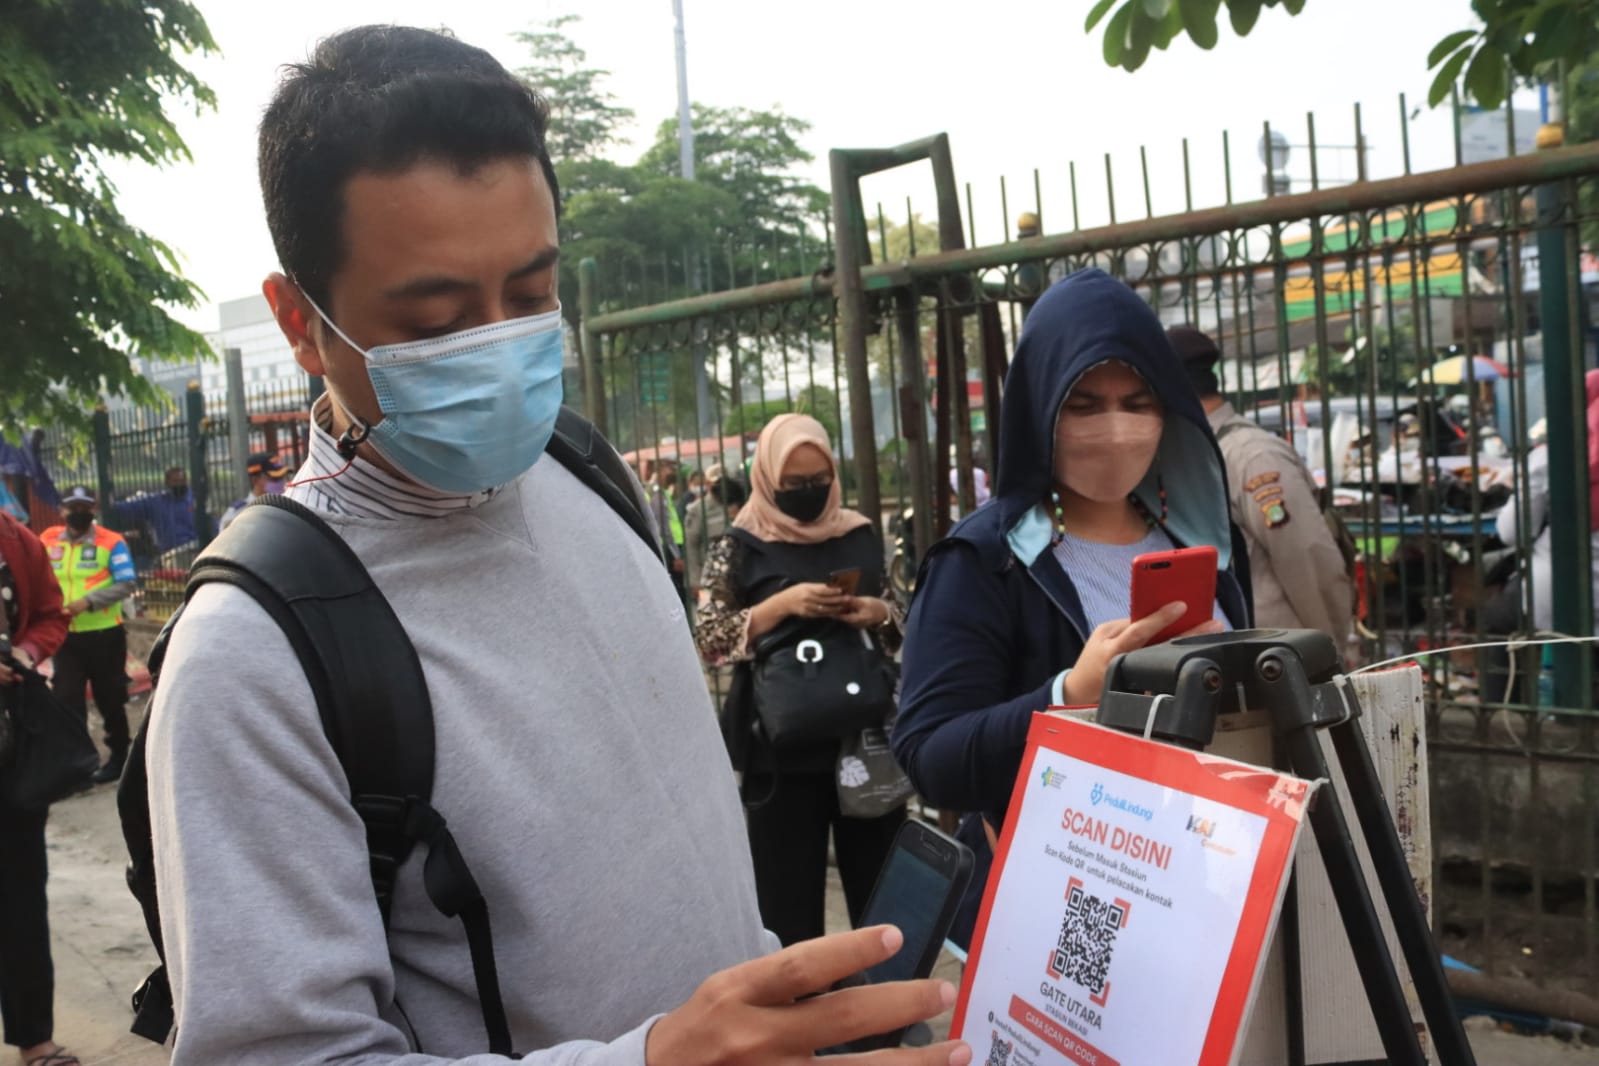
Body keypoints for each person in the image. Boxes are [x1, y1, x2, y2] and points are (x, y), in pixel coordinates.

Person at [146, 26, 964, 1066]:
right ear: (300, 323)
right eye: (435, 321)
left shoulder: (588, 473)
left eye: (531, 296)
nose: (499, 349)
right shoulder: (252, 658)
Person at [893, 269, 1249, 948]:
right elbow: (929, 756)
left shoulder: (1203, 545)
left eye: (1137, 402)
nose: (1115, 429)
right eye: (1084, 406)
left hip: (1197, 900)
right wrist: (1069, 696)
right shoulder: (983, 561)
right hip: (1052, 914)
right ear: (1039, 409)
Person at [693, 414, 906, 947]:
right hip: (781, 749)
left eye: (819, 480)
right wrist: (782, 605)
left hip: (864, 739)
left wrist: (877, 611)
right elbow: (708, 639)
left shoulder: (858, 532)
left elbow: (901, 619)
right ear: (768, 479)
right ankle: (803, 998)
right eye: (794, 483)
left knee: (884, 894)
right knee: (787, 902)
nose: (809, 492)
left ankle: (886, 990)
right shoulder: (739, 545)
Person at [1168, 326, 1353, 648]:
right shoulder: (1198, 453)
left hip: (1284, 655)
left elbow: (1310, 560)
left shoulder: (1250, 455)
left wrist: (1327, 651)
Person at [0, 511, 74, 1066]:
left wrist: (24, 653)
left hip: (12, 748)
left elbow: (50, 614)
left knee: (21, 892)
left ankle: (34, 1038)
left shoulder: (16, 539)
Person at [40, 487, 137, 784]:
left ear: (93, 509)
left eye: (84, 507)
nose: (78, 513)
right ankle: (79, 766)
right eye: (73, 508)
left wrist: (88, 602)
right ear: (62, 511)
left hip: (104, 635)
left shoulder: (112, 542)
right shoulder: (48, 540)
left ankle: (119, 758)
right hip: (65, 636)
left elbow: (127, 584)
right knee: (67, 700)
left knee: (110, 699)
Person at [683, 464, 747, 594]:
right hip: (711, 575)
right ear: (708, 483)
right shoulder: (698, 510)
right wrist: (695, 581)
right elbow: (691, 546)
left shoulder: (736, 499)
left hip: (739, 572)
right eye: (716, 480)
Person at [112, 466, 197, 556]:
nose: (179, 484)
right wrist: (108, 503)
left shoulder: (196, 499)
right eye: (175, 481)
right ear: (167, 483)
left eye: (182, 481)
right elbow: (125, 507)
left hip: (196, 550)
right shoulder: (157, 501)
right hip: (170, 553)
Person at [219, 451, 290, 530]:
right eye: (274, 479)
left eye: (282, 477)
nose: (281, 483)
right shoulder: (238, 513)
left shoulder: (288, 508)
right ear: (255, 480)